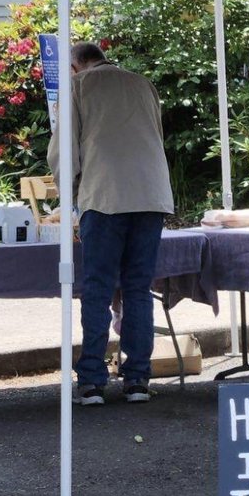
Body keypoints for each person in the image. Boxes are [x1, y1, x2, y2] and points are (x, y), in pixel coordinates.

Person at [47, 41, 174, 405]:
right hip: (151, 196)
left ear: (74, 66)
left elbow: (63, 151)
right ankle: (137, 380)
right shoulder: (142, 83)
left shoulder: (78, 86)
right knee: (137, 288)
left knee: (98, 289)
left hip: (104, 197)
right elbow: (155, 138)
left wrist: (70, 196)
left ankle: (91, 382)